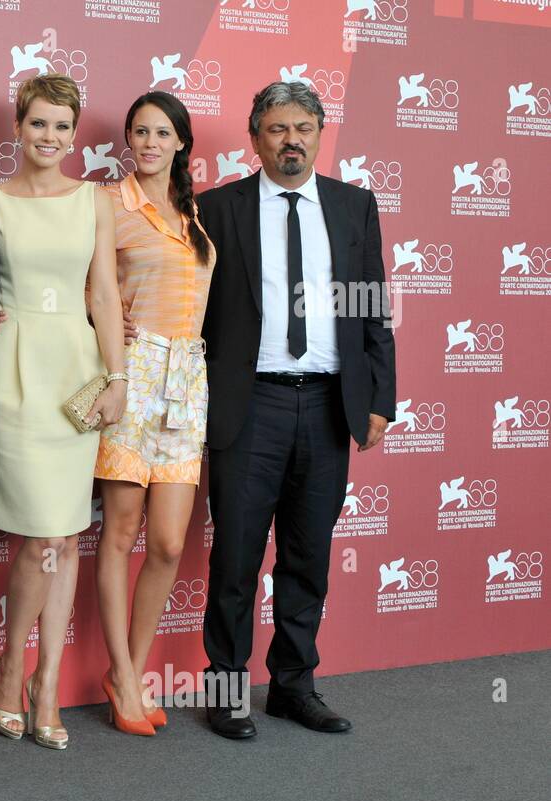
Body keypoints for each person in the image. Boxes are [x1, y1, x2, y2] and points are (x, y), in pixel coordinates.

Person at [0, 75, 125, 750]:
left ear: (74, 133)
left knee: (67, 537)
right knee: (39, 537)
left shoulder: (95, 200)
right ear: (17, 127)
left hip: (76, 371)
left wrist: (117, 378)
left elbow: (103, 294)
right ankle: (11, 670)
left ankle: (48, 682)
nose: (50, 136)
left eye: (62, 126)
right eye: (38, 123)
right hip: (12, 372)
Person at [196, 82, 395, 739]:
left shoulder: (352, 205)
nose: (292, 140)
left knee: (307, 556)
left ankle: (292, 687)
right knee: (236, 558)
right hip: (249, 403)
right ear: (255, 137)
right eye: (278, 129)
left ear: (319, 133)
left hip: (328, 404)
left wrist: (380, 397)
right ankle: (227, 691)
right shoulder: (216, 209)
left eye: (303, 128)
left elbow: (372, 307)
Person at [93, 92, 216, 736]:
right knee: (119, 531)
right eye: (138, 131)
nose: (148, 142)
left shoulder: (197, 214)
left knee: (168, 541)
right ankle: (124, 676)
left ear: (180, 143)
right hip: (135, 373)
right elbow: (95, 293)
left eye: (161, 132)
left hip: (188, 381)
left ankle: (128, 672)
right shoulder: (108, 206)